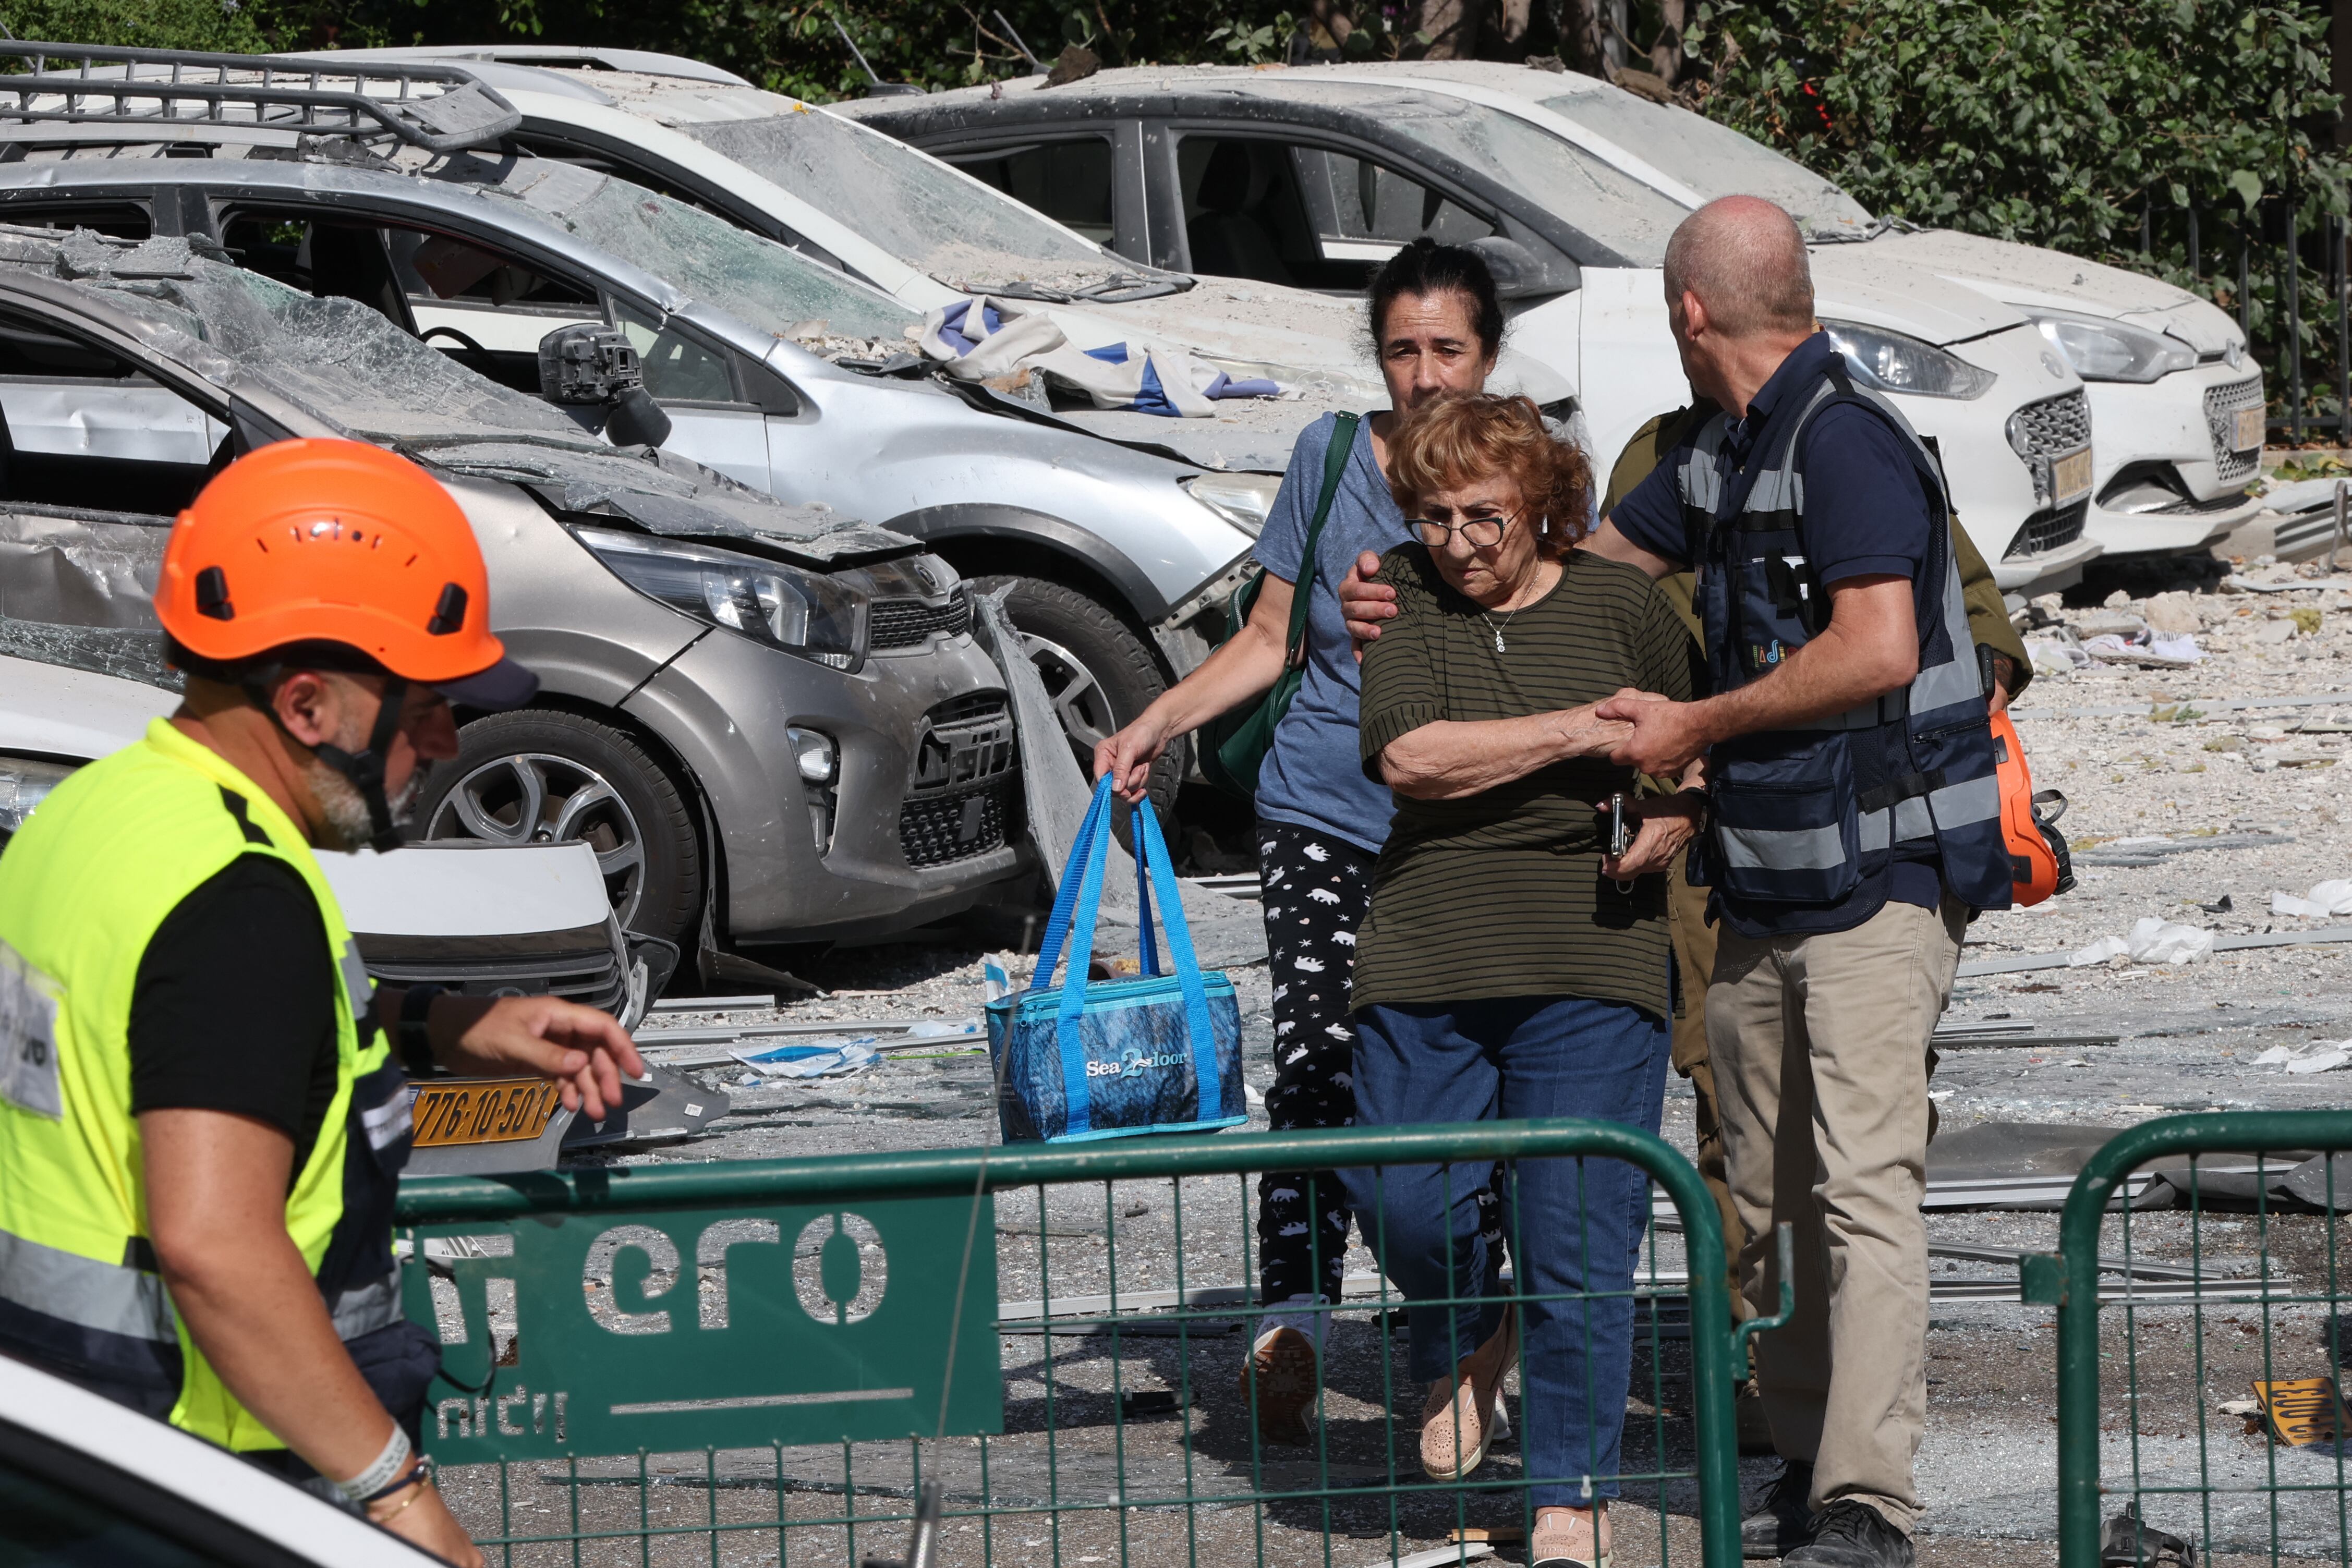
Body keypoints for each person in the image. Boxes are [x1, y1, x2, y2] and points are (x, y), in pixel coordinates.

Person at [0, 440, 645, 1567]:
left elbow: (171, 1030)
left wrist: (439, 1022)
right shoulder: (239, 900)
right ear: (307, 703)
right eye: (427, 706)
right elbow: (215, 1244)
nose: (443, 744)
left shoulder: (97, 813)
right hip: (205, 1481)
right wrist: (398, 1504)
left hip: (62, 1443)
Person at [1570, 196, 2011, 1568]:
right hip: (1764, 884)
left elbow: (1876, 648)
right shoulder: (1720, 451)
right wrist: (1419, 583)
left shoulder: (1847, 442)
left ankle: (1867, 1501)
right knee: (1766, 1188)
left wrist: (1692, 728)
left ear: (1687, 315)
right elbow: (1594, 567)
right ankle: (1809, 1460)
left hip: (1881, 878)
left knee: (1862, 1184)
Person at [1093, 238, 1530, 1445]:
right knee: (1317, 1063)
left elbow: (1564, 615)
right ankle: (1292, 1318)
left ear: (1488, 355)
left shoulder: (1523, 470)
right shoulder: (1332, 456)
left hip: (1463, 825)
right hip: (1323, 811)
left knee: (1462, 1079)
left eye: (1449, 347)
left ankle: (1457, 1340)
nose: (1425, 373)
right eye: (1402, 349)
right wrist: (1157, 720)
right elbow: (1272, 636)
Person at [1347, 391, 1702, 1568]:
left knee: (1578, 1235)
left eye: (1484, 517)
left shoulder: (1621, 605)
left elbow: (1687, 735)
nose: (1458, 543)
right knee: (1402, 1204)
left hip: (1588, 952)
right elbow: (1410, 757)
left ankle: (1568, 1490)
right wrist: (1582, 732)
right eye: (1437, 515)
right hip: (1425, 951)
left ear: (1541, 506)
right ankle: (1465, 1321)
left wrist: (1673, 810)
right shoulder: (1398, 593)